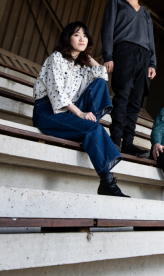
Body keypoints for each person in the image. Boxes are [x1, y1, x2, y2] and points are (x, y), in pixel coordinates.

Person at [33, 21, 128, 198]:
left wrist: (88, 55)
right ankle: (107, 182)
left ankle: (90, 128)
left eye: (85, 36)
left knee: (99, 84)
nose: (82, 38)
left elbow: (102, 75)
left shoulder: (82, 67)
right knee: (94, 128)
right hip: (46, 112)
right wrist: (80, 113)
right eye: (77, 34)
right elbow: (57, 93)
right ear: (68, 38)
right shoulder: (56, 58)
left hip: (68, 112)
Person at [101, 0, 156, 158]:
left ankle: (128, 142)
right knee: (122, 95)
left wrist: (153, 63)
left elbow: (151, 40)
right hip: (124, 51)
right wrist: (108, 56)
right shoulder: (116, 2)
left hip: (144, 56)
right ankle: (115, 139)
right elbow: (107, 30)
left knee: (136, 100)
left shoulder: (146, 14)